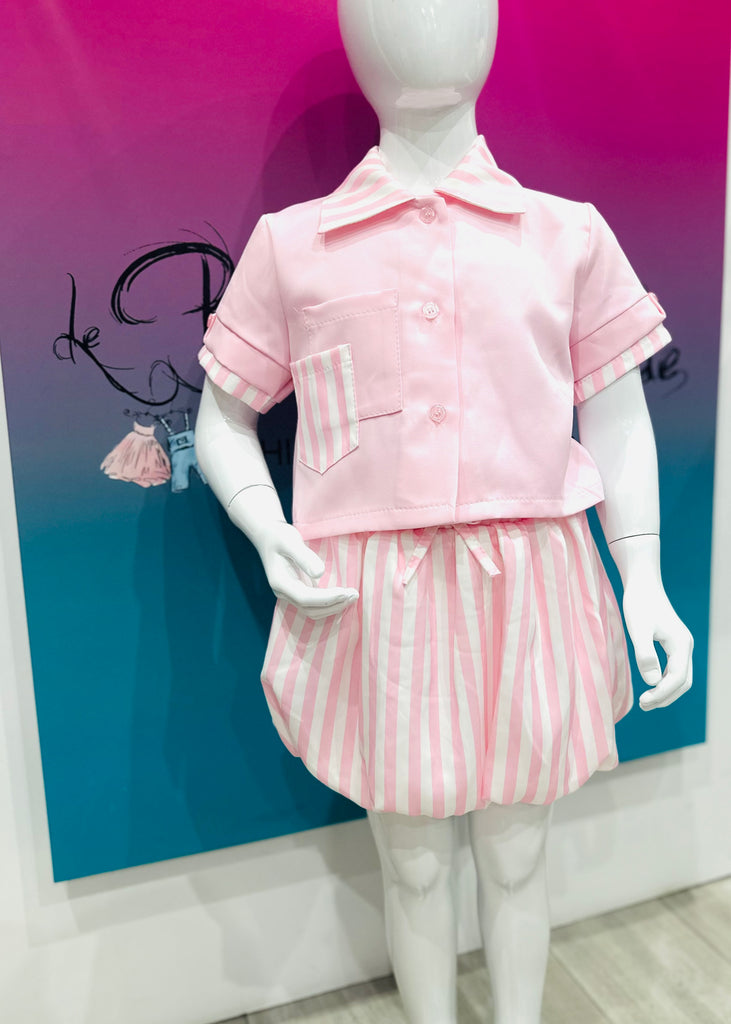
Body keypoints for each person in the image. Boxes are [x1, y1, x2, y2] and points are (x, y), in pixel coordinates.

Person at [195, 2, 693, 1021]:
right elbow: (222, 417)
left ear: (493, 31)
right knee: (413, 865)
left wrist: (642, 578)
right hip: (374, 599)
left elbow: (617, 418)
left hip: (531, 580)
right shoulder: (295, 245)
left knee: (517, 853)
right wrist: (270, 529)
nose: (423, 24)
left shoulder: (564, 234)